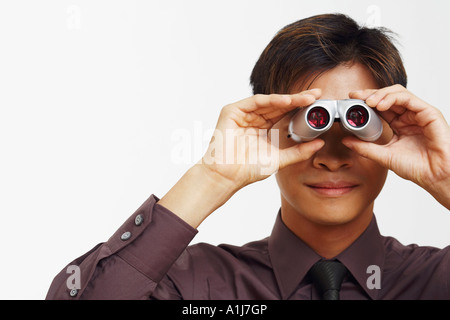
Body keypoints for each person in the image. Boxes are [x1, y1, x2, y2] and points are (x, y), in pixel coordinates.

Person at [46, 13, 450, 300]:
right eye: (312, 122)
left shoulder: (437, 280)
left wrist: (446, 177)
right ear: (270, 127)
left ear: (394, 128)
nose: (332, 156)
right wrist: (212, 177)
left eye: (359, 123)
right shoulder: (195, 285)